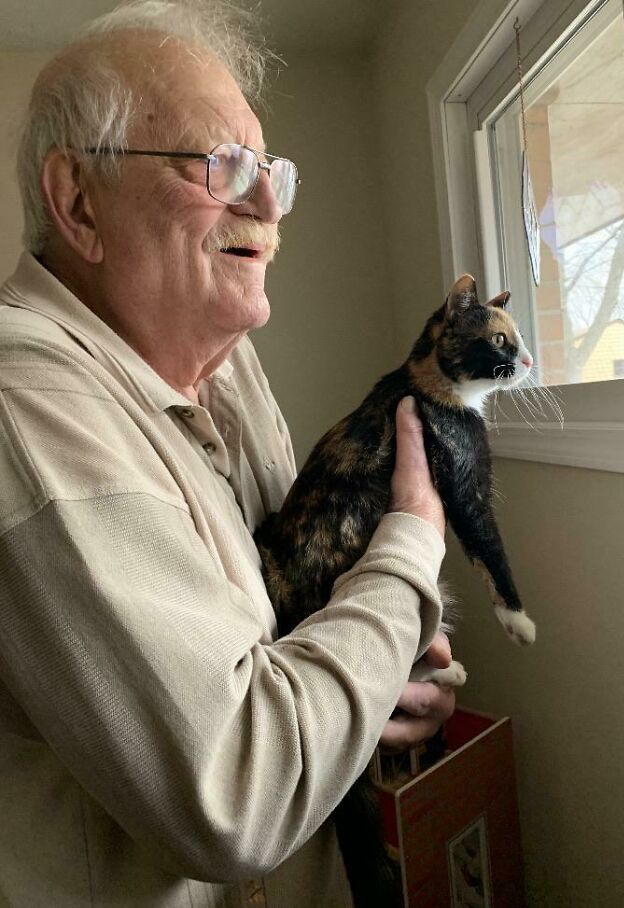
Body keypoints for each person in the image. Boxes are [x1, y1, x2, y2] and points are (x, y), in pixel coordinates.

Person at [0, 2, 456, 905]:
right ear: (78, 201)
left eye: (271, 172)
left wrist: (384, 672)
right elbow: (237, 794)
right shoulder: (25, 400)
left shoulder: (226, 366)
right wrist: (410, 550)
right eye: (222, 166)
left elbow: (285, 626)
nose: (267, 207)